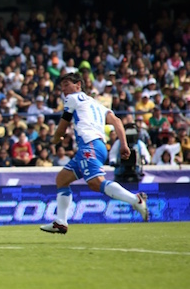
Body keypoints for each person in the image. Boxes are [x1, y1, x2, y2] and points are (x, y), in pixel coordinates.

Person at [40, 72, 149, 234]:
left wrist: (55, 139)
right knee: (62, 179)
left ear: (78, 85)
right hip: (97, 146)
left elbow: (63, 126)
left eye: (67, 84)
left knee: (95, 183)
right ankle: (60, 222)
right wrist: (123, 145)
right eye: (62, 86)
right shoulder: (96, 104)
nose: (63, 89)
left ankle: (135, 199)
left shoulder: (72, 98)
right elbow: (117, 121)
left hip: (88, 145)